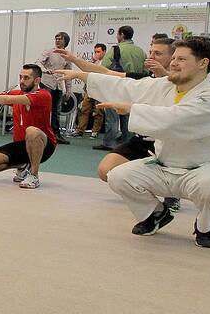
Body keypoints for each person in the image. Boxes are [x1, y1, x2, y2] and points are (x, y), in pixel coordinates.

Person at [64, 37, 210, 248]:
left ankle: (205, 224)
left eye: (181, 59)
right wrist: (83, 75)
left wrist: (131, 109)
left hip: (200, 172)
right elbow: (129, 86)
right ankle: (156, 214)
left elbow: (176, 119)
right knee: (118, 175)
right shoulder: (165, 86)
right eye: (174, 58)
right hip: (163, 167)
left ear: (203, 63)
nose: (173, 63)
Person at [54, 35, 180, 210]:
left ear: (172, 59)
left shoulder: (183, 85)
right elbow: (106, 73)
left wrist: (165, 75)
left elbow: (175, 91)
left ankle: (171, 191)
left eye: (157, 54)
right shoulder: (145, 80)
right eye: (150, 52)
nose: (151, 57)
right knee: (107, 171)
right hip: (142, 140)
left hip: (169, 144)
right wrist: (74, 61)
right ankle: (153, 196)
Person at [97, 25, 147, 150]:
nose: (116, 36)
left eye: (118, 34)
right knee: (128, 115)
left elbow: (103, 68)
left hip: (116, 87)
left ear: (122, 35)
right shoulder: (141, 51)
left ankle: (108, 142)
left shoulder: (115, 50)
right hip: (134, 87)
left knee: (112, 116)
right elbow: (145, 70)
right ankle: (127, 141)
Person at [35, 31, 75, 144]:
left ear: (65, 41)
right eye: (56, 38)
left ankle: (55, 134)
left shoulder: (67, 56)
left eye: (60, 39)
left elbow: (68, 74)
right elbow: (38, 62)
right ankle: (41, 133)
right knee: (44, 109)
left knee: (56, 111)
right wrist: (44, 70)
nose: (57, 41)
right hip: (46, 83)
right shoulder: (48, 51)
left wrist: (68, 90)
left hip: (58, 85)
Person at [69, 43, 107, 137]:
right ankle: (80, 130)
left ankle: (95, 131)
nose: (96, 54)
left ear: (104, 52)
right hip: (89, 88)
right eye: (95, 52)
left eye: (98, 52)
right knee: (84, 108)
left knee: (98, 111)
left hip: (100, 89)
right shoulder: (92, 62)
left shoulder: (106, 62)